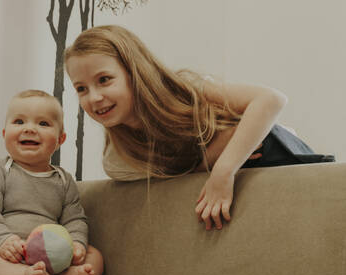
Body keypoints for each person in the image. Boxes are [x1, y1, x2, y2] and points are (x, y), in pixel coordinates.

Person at [64, 25, 334, 231]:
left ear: (135, 72)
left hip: (274, 154)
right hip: (236, 177)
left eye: (104, 80)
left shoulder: (183, 90)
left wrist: (223, 171)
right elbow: (178, 179)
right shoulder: (118, 160)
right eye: (81, 89)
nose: (94, 97)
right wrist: (213, 158)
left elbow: (271, 99)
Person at [0, 89, 104, 275]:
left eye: (43, 123)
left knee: (95, 256)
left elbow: (75, 219)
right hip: (8, 252)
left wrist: (77, 243)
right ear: (4, 134)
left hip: (52, 252)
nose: (29, 129)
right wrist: (3, 240)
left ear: (60, 139)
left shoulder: (63, 180)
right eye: (19, 122)